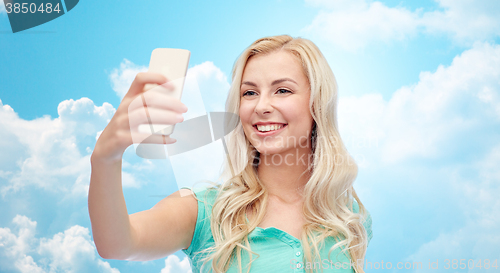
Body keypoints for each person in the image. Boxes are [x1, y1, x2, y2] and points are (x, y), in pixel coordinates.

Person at [88, 35, 373, 273]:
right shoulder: (204, 211)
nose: (261, 106)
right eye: (249, 93)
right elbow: (117, 243)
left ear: (317, 104)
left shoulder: (347, 216)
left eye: (282, 90)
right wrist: (105, 157)